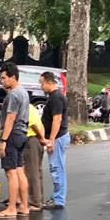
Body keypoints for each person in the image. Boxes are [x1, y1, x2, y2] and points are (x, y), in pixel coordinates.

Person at [0, 62, 31, 219]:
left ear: (13, 77)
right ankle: (24, 206)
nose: (2, 81)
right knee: (20, 170)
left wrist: (3, 140)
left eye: (4, 78)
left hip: (13, 134)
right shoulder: (23, 92)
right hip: (22, 133)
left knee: (11, 172)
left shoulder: (14, 94)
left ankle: (11, 208)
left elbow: (10, 118)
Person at [40, 71, 70, 210]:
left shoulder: (56, 97)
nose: (41, 86)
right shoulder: (54, 96)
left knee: (57, 169)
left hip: (58, 138)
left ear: (49, 82)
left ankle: (59, 200)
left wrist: (51, 140)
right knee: (56, 168)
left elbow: (57, 119)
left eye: (42, 83)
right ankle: (57, 197)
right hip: (57, 137)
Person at [22, 103, 47, 212]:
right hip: (37, 140)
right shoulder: (31, 107)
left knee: (32, 172)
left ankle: (35, 202)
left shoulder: (25, 107)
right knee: (37, 171)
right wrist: (42, 138)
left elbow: (33, 124)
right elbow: (41, 124)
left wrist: (41, 138)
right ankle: (39, 199)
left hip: (31, 139)